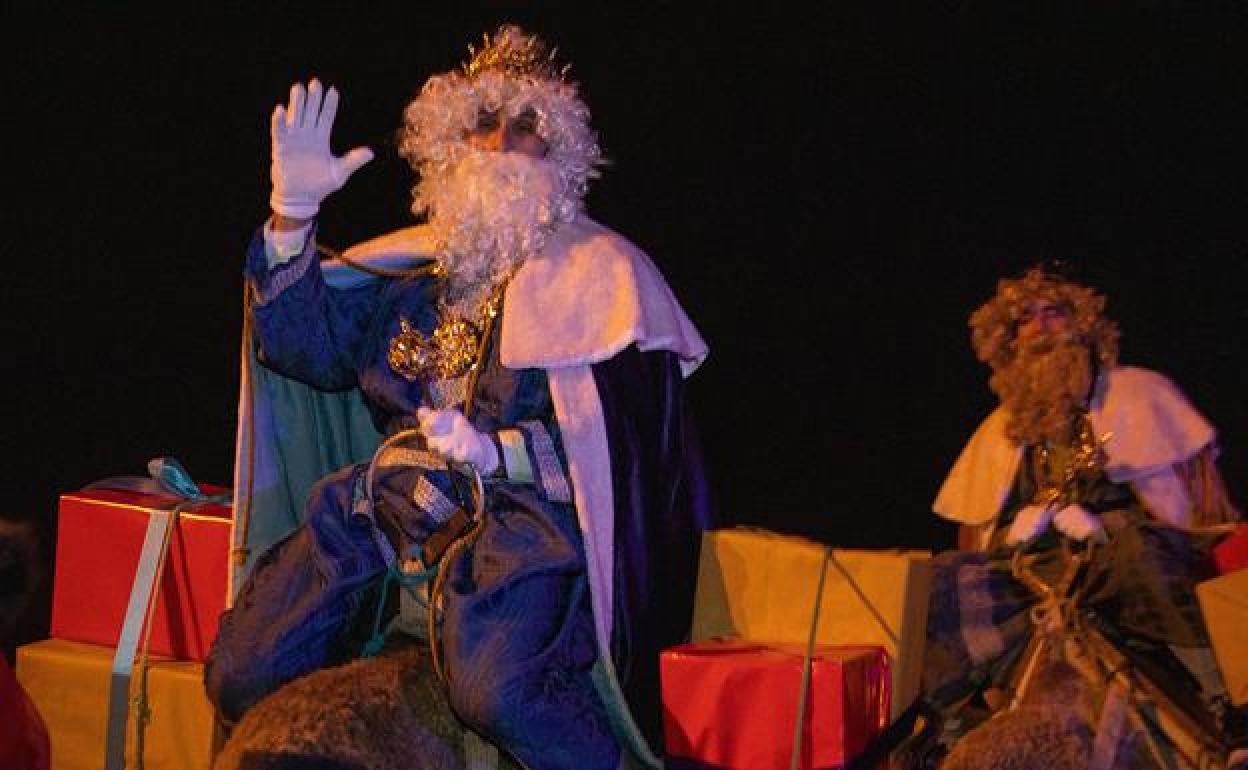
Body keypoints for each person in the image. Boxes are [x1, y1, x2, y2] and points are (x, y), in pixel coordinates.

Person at [206, 25, 714, 770]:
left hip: (524, 525)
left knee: (499, 696)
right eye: (483, 121)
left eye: (527, 124)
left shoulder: (606, 277)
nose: (501, 141)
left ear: (561, 150)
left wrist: (499, 453)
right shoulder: (412, 273)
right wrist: (293, 219)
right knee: (243, 670)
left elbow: (629, 447)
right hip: (390, 505)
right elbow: (305, 346)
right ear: (451, 142)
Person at [923, 264, 1245, 767]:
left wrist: (1106, 525)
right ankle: (945, 721)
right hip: (1034, 571)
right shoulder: (996, 431)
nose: (1040, 327)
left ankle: (1224, 704)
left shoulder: (1140, 395)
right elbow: (976, 530)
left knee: (1138, 555)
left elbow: (1199, 502)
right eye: (1025, 320)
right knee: (941, 579)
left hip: (1123, 554)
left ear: (1083, 324)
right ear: (1008, 341)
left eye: (1053, 312)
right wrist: (1013, 533)